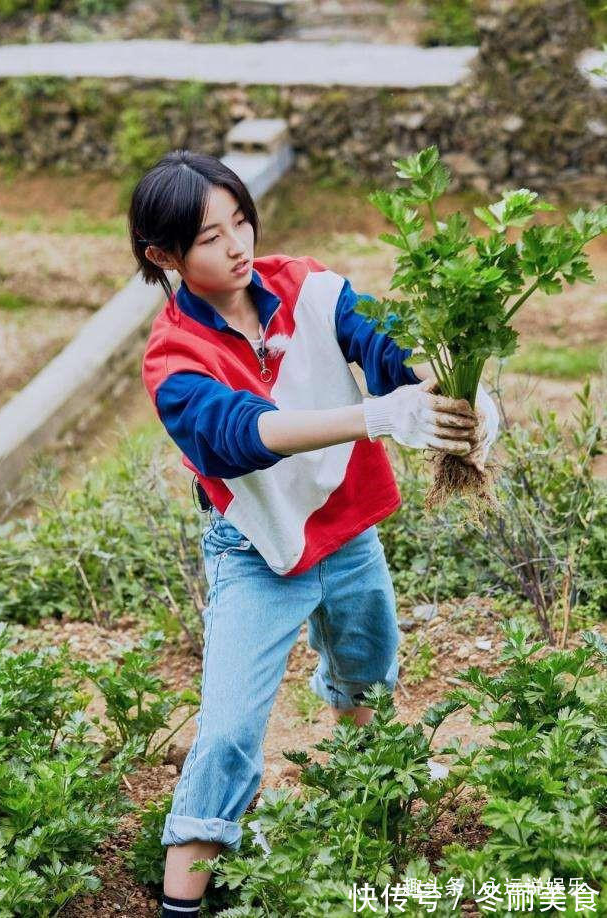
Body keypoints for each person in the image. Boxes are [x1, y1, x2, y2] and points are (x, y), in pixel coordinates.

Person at [132, 149, 499, 918]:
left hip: (349, 532)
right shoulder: (174, 359)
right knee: (228, 732)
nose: (237, 245)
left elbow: (384, 347)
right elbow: (242, 433)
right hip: (258, 554)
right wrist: (373, 417)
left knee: (367, 671)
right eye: (210, 237)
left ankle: (369, 817)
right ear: (163, 256)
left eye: (241, 221)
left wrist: (447, 393)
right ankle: (180, 902)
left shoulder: (310, 288)